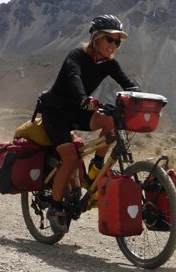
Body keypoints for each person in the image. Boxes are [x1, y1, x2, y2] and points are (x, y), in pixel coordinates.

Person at [41, 14, 136, 234]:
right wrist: (83, 98)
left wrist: (139, 95)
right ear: (96, 38)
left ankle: (96, 165)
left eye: (117, 41)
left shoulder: (108, 63)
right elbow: (74, 77)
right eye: (110, 39)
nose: (114, 45)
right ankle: (55, 208)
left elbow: (127, 82)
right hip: (56, 114)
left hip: (79, 111)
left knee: (111, 119)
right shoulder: (77, 55)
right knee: (71, 158)